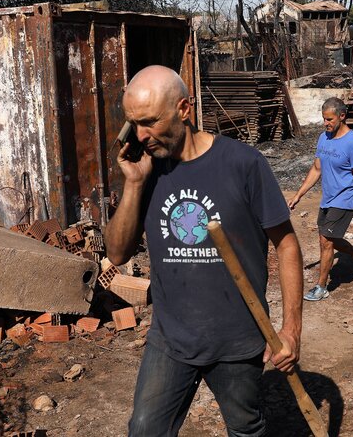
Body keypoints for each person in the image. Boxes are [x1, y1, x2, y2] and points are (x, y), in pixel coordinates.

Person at [103, 65, 304, 436]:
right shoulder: (147, 170)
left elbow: (287, 244)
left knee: (245, 428)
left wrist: (291, 329)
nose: (141, 136)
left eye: (149, 122)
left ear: (183, 109)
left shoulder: (243, 164)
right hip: (171, 338)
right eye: (134, 124)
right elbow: (116, 255)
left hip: (238, 339)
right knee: (145, 429)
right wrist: (133, 184)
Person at [288, 97, 353, 302]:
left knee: (325, 241)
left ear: (342, 116)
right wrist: (299, 194)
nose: (326, 123)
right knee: (329, 240)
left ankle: (321, 287)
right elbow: (317, 168)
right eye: (324, 119)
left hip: (345, 198)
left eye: (330, 119)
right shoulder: (323, 138)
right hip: (328, 198)